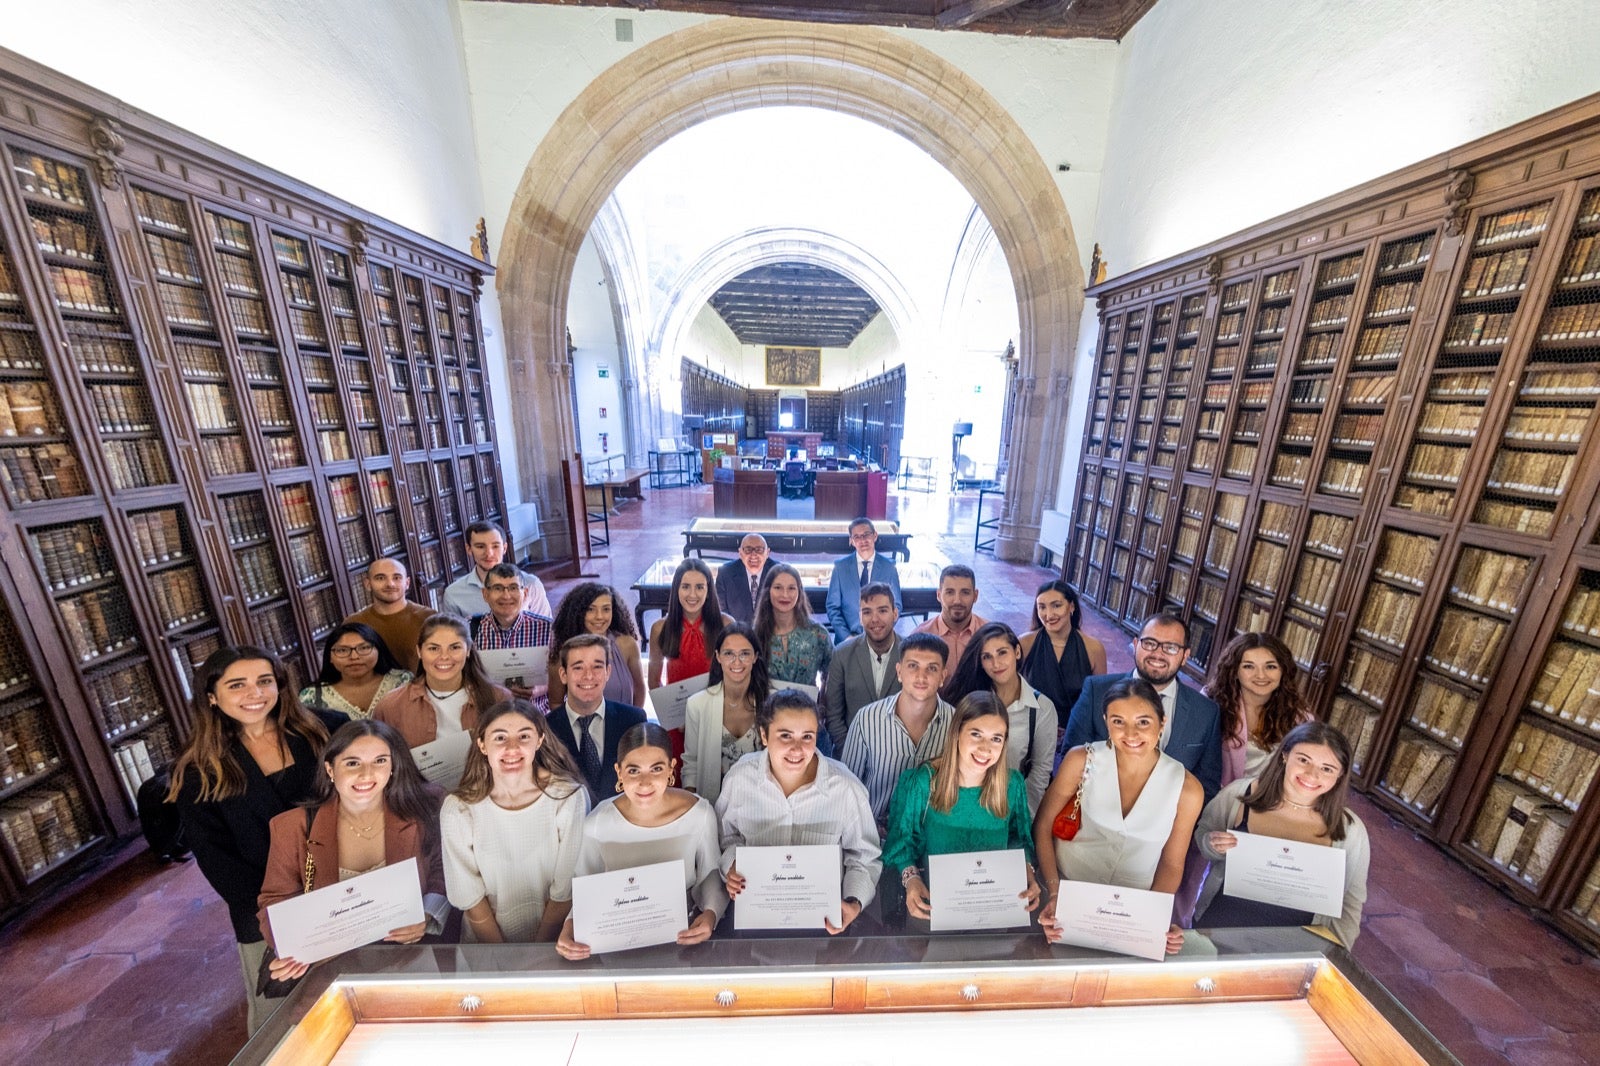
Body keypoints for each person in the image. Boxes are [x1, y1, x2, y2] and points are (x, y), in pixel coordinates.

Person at [167, 647, 339, 1034]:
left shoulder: (326, 731)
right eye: (236, 685)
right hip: (267, 912)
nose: (254, 693)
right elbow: (219, 862)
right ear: (212, 696)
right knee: (280, 1019)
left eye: (264, 681)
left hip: (345, 890)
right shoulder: (199, 771)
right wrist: (283, 921)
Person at [256, 720, 448, 984]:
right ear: (330, 769)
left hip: (412, 962)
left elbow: (443, 869)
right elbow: (275, 899)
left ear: (393, 766)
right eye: (352, 763)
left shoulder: (425, 806)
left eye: (380, 761)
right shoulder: (292, 827)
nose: (366, 774)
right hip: (334, 971)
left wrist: (427, 915)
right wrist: (290, 950)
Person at [1036, 679, 1204, 956]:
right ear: (1105, 722)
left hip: (1132, 910)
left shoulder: (1187, 788)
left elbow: (1172, 863)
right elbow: (1043, 826)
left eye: (1143, 722)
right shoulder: (1082, 760)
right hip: (1066, 893)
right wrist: (1054, 891)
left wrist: (1154, 919)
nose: (1131, 733)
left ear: (1162, 723)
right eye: (1118, 721)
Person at [716, 690, 881, 935]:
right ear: (764, 735)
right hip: (754, 919)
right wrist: (731, 863)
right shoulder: (739, 780)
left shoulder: (846, 788)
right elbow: (725, 837)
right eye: (785, 736)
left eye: (807, 737)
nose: (797, 749)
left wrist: (854, 902)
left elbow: (864, 856)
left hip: (824, 926)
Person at [556, 723, 728, 959]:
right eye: (634, 771)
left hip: (682, 940)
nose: (645, 782)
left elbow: (710, 873)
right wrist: (569, 927)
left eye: (656, 769)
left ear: (671, 769)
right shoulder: (598, 823)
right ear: (619, 772)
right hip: (615, 945)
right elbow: (584, 887)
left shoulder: (700, 813)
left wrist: (710, 914)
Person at [1194, 721, 1369, 947]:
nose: (1311, 774)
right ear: (1285, 755)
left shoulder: (1351, 830)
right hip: (1218, 929)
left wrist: (1335, 952)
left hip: (1293, 946)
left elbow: (1351, 903)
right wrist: (1212, 844)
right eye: (1304, 760)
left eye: (1327, 768)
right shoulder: (1240, 794)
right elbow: (1204, 833)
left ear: (1341, 774)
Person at [884, 692, 1041, 924]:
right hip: (933, 907)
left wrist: (1027, 870)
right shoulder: (924, 782)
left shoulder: (1012, 785)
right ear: (956, 732)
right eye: (976, 734)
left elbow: (1019, 839)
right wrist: (911, 880)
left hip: (995, 909)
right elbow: (901, 843)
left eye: (996, 738)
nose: (985, 749)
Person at [441, 699, 590, 942]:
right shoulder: (458, 809)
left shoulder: (568, 797)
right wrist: (503, 961)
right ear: (482, 744)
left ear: (539, 740)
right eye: (500, 738)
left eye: (524, 736)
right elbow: (470, 897)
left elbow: (566, 891)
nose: (512, 748)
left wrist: (535, 960)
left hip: (554, 944)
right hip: (485, 949)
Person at [1058, 611, 1223, 802]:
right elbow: (1071, 755)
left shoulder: (1206, 712)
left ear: (1185, 655)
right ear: (1136, 645)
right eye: (1150, 643)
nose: (1158, 654)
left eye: (1170, 647)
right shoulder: (1096, 690)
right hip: (1095, 810)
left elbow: (1207, 786)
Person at [941, 622, 1057, 813]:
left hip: (1010, 804)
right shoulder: (968, 700)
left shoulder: (1042, 709)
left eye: (1002, 652)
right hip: (962, 800)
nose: (996, 663)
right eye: (987, 657)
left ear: (1017, 652)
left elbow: (1039, 773)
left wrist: (1021, 817)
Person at [840, 632, 953, 826]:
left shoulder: (956, 724)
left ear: (943, 676)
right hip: (875, 836)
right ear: (899, 672)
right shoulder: (867, 719)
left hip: (931, 835)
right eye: (913, 666)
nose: (921, 676)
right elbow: (847, 787)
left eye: (932, 668)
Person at [371, 614, 509, 752]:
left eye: (454, 647)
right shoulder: (390, 706)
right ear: (419, 651)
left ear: (468, 650)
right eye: (433, 648)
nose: (444, 656)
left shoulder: (499, 698)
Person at [545, 633, 648, 803]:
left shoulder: (633, 720)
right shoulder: (546, 728)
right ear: (563, 674)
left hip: (620, 823)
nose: (589, 676)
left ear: (608, 672)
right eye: (578, 667)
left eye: (597, 667)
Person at [1204, 632, 1315, 788]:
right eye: (1249, 666)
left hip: (1272, 797)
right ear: (1234, 671)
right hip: (1219, 795)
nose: (1261, 675)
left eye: (1270, 666)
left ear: (1283, 670)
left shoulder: (1301, 718)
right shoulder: (1210, 705)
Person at [683, 623, 770, 805]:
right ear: (718, 657)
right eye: (729, 653)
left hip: (762, 805)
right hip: (713, 804)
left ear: (755, 657)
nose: (736, 662)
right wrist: (693, 808)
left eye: (745, 653)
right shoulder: (697, 704)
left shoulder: (772, 703)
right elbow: (691, 763)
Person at [821, 583, 902, 749]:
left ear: (895, 613)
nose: (874, 619)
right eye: (867, 612)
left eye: (882, 610)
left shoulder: (911, 654)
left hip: (902, 755)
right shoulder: (842, 655)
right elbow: (833, 716)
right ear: (860, 617)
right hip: (851, 753)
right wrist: (852, 754)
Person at [545, 582, 647, 708]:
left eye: (606, 609)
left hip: (626, 725)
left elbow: (639, 689)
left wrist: (637, 721)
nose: (599, 617)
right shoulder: (562, 652)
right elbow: (556, 702)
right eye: (591, 610)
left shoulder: (627, 645)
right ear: (578, 612)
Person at [468, 562, 554, 705]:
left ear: (525, 593)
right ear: (485, 594)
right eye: (498, 588)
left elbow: (566, 675)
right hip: (491, 715)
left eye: (513, 588)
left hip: (538, 714)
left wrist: (541, 689)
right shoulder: (470, 629)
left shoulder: (547, 629)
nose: (506, 596)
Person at [1018, 580, 1106, 721]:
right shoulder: (1025, 643)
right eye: (1042, 607)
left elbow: (1098, 701)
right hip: (1031, 726)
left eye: (1056, 606)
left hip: (1074, 730)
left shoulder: (1094, 648)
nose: (1049, 615)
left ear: (1071, 606)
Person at [442, 520, 554, 620]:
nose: (489, 554)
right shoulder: (453, 594)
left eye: (495, 546)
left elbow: (546, 630)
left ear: (504, 548)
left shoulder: (531, 584)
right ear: (469, 549)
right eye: (480, 547)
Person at [298, 623, 411, 720]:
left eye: (364, 648)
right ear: (329, 657)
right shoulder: (311, 697)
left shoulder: (403, 682)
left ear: (379, 650)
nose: (354, 656)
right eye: (342, 650)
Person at [344, 558, 433, 674]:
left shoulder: (429, 618)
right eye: (380, 578)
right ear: (367, 584)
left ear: (407, 583)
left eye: (396, 578)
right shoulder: (353, 624)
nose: (390, 584)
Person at [755, 562, 833, 689]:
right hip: (767, 708)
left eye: (791, 588)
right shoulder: (755, 635)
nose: (785, 595)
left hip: (808, 707)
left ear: (800, 592)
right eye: (778, 588)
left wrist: (822, 700)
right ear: (768, 592)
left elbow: (832, 676)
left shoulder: (818, 634)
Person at [825, 517, 902, 644]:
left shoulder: (889, 567)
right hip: (848, 638)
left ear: (875, 536)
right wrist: (847, 637)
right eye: (857, 537)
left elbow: (897, 605)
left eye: (866, 535)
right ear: (851, 541)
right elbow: (833, 608)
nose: (863, 540)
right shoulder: (840, 568)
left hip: (880, 638)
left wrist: (881, 632)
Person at [912, 564, 986, 666]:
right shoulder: (921, 635)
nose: (957, 601)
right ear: (939, 595)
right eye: (950, 592)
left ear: (975, 596)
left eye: (965, 592)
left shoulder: (989, 634)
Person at [714, 533, 777, 624]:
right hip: (736, 633)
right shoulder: (726, 573)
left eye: (759, 550)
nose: (753, 554)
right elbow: (721, 612)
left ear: (767, 553)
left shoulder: (778, 573)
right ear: (740, 553)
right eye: (748, 549)